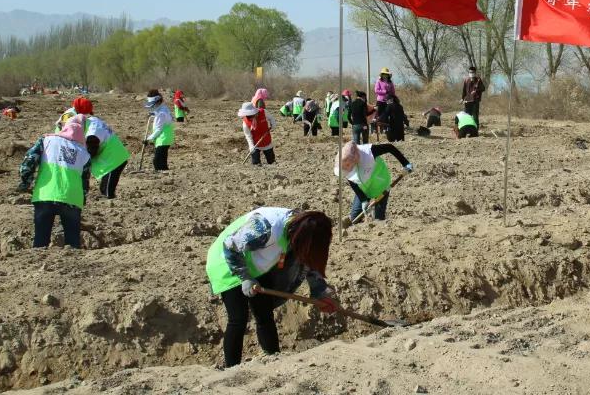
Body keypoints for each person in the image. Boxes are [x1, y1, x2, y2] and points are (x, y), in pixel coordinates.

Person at [205, 208, 339, 367]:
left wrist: (319, 292)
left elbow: (308, 258)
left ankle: (274, 360)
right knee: (238, 318)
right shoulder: (266, 227)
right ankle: (231, 369)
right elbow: (230, 246)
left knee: (264, 313)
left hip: (257, 264)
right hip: (227, 262)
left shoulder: (305, 226)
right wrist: (246, 278)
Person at [18, 121, 91, 248]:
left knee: (40, 240)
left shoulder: (46, 141)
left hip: (45, 195)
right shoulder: (84, 153)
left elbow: (29, 161)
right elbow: (85, 181)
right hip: (72, 198)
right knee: (73, 243)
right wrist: (82, 199)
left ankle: (37, 264)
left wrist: (25, 182)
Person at [335, 141, 413, 223]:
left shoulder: (369, 152)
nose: (347, 169)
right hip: (364, 189)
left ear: (354, 158)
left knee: (379, 219)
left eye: (347, 166)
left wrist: (406, 163)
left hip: (380, 184)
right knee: (354, 218)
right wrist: (363, 200)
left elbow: (390, 147)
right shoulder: (345, 164)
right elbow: (352, 181)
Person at [69, 113, 130, 199]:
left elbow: (91, 153)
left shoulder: (92, 135)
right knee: (105, 186)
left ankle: (110, 201)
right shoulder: (92, 120)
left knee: (107, 190)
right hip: (115, 154)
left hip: (114, 160)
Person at [144, 89, 174, 171]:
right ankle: (165, 173)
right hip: (167, 138)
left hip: (162, 139)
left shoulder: (160, 114)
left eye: (153, 105)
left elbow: (158, 129)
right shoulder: (164, 108)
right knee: (162, 160)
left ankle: (162, 176)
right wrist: (153, 113)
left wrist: (148, 139)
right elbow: (169, 117)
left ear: (157, 102)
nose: (152, 107)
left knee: (157, 161)